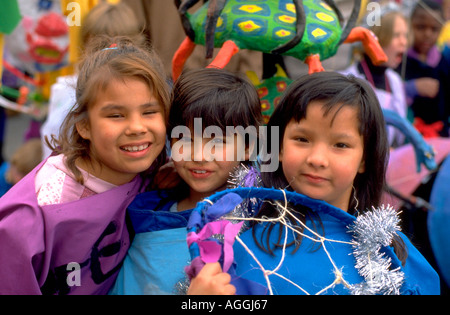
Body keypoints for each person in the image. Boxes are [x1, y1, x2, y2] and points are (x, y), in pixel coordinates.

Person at [187, 71, 440, 295]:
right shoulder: (237, 251)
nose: (317, 159)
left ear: (365, 159)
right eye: (302, 139)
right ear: (278, 147)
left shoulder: (394, 257)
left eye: (340, 145)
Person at [0, 36, 170, 294]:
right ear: (84, 125)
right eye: (116, 115)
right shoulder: (41, 207)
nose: (137, 127)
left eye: (149, 112)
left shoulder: (157, 174)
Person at [109, 67, 263, 295]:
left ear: (248, 146)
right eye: (185, 139)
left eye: (218, 142)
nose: (199, 156)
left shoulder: (262, 219)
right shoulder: (149, 213)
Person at [40, 1, 147, 159]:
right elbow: (53, 134)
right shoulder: (67, 90)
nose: (109, 58)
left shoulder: (144, 87)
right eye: (101, 48)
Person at [341, 5, 409, 147]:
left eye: (405, 35)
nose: (404, 42)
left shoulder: (394, 80)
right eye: (396, 35)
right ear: (376, 39)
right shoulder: (347, 79)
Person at [397, 0, 450, 137]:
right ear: (410, 25)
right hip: (408, 136)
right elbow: (387, 94)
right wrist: (412, 88)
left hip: (441, 136)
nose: (427, 34)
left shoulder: (444, 61)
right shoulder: (400, 60)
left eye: (434, 29)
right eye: (420, 27)